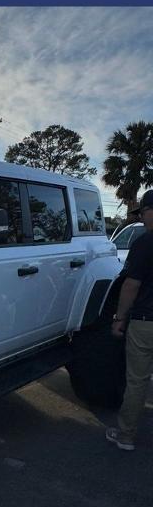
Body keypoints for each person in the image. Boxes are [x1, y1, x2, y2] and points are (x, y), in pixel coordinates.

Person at [107, 190, 153, 450]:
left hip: (146, 321)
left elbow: (131, 286)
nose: (143, 218)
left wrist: (119, 318)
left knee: (137, 380)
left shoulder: (144, 243)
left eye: (144, 212)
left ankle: (126, 436)